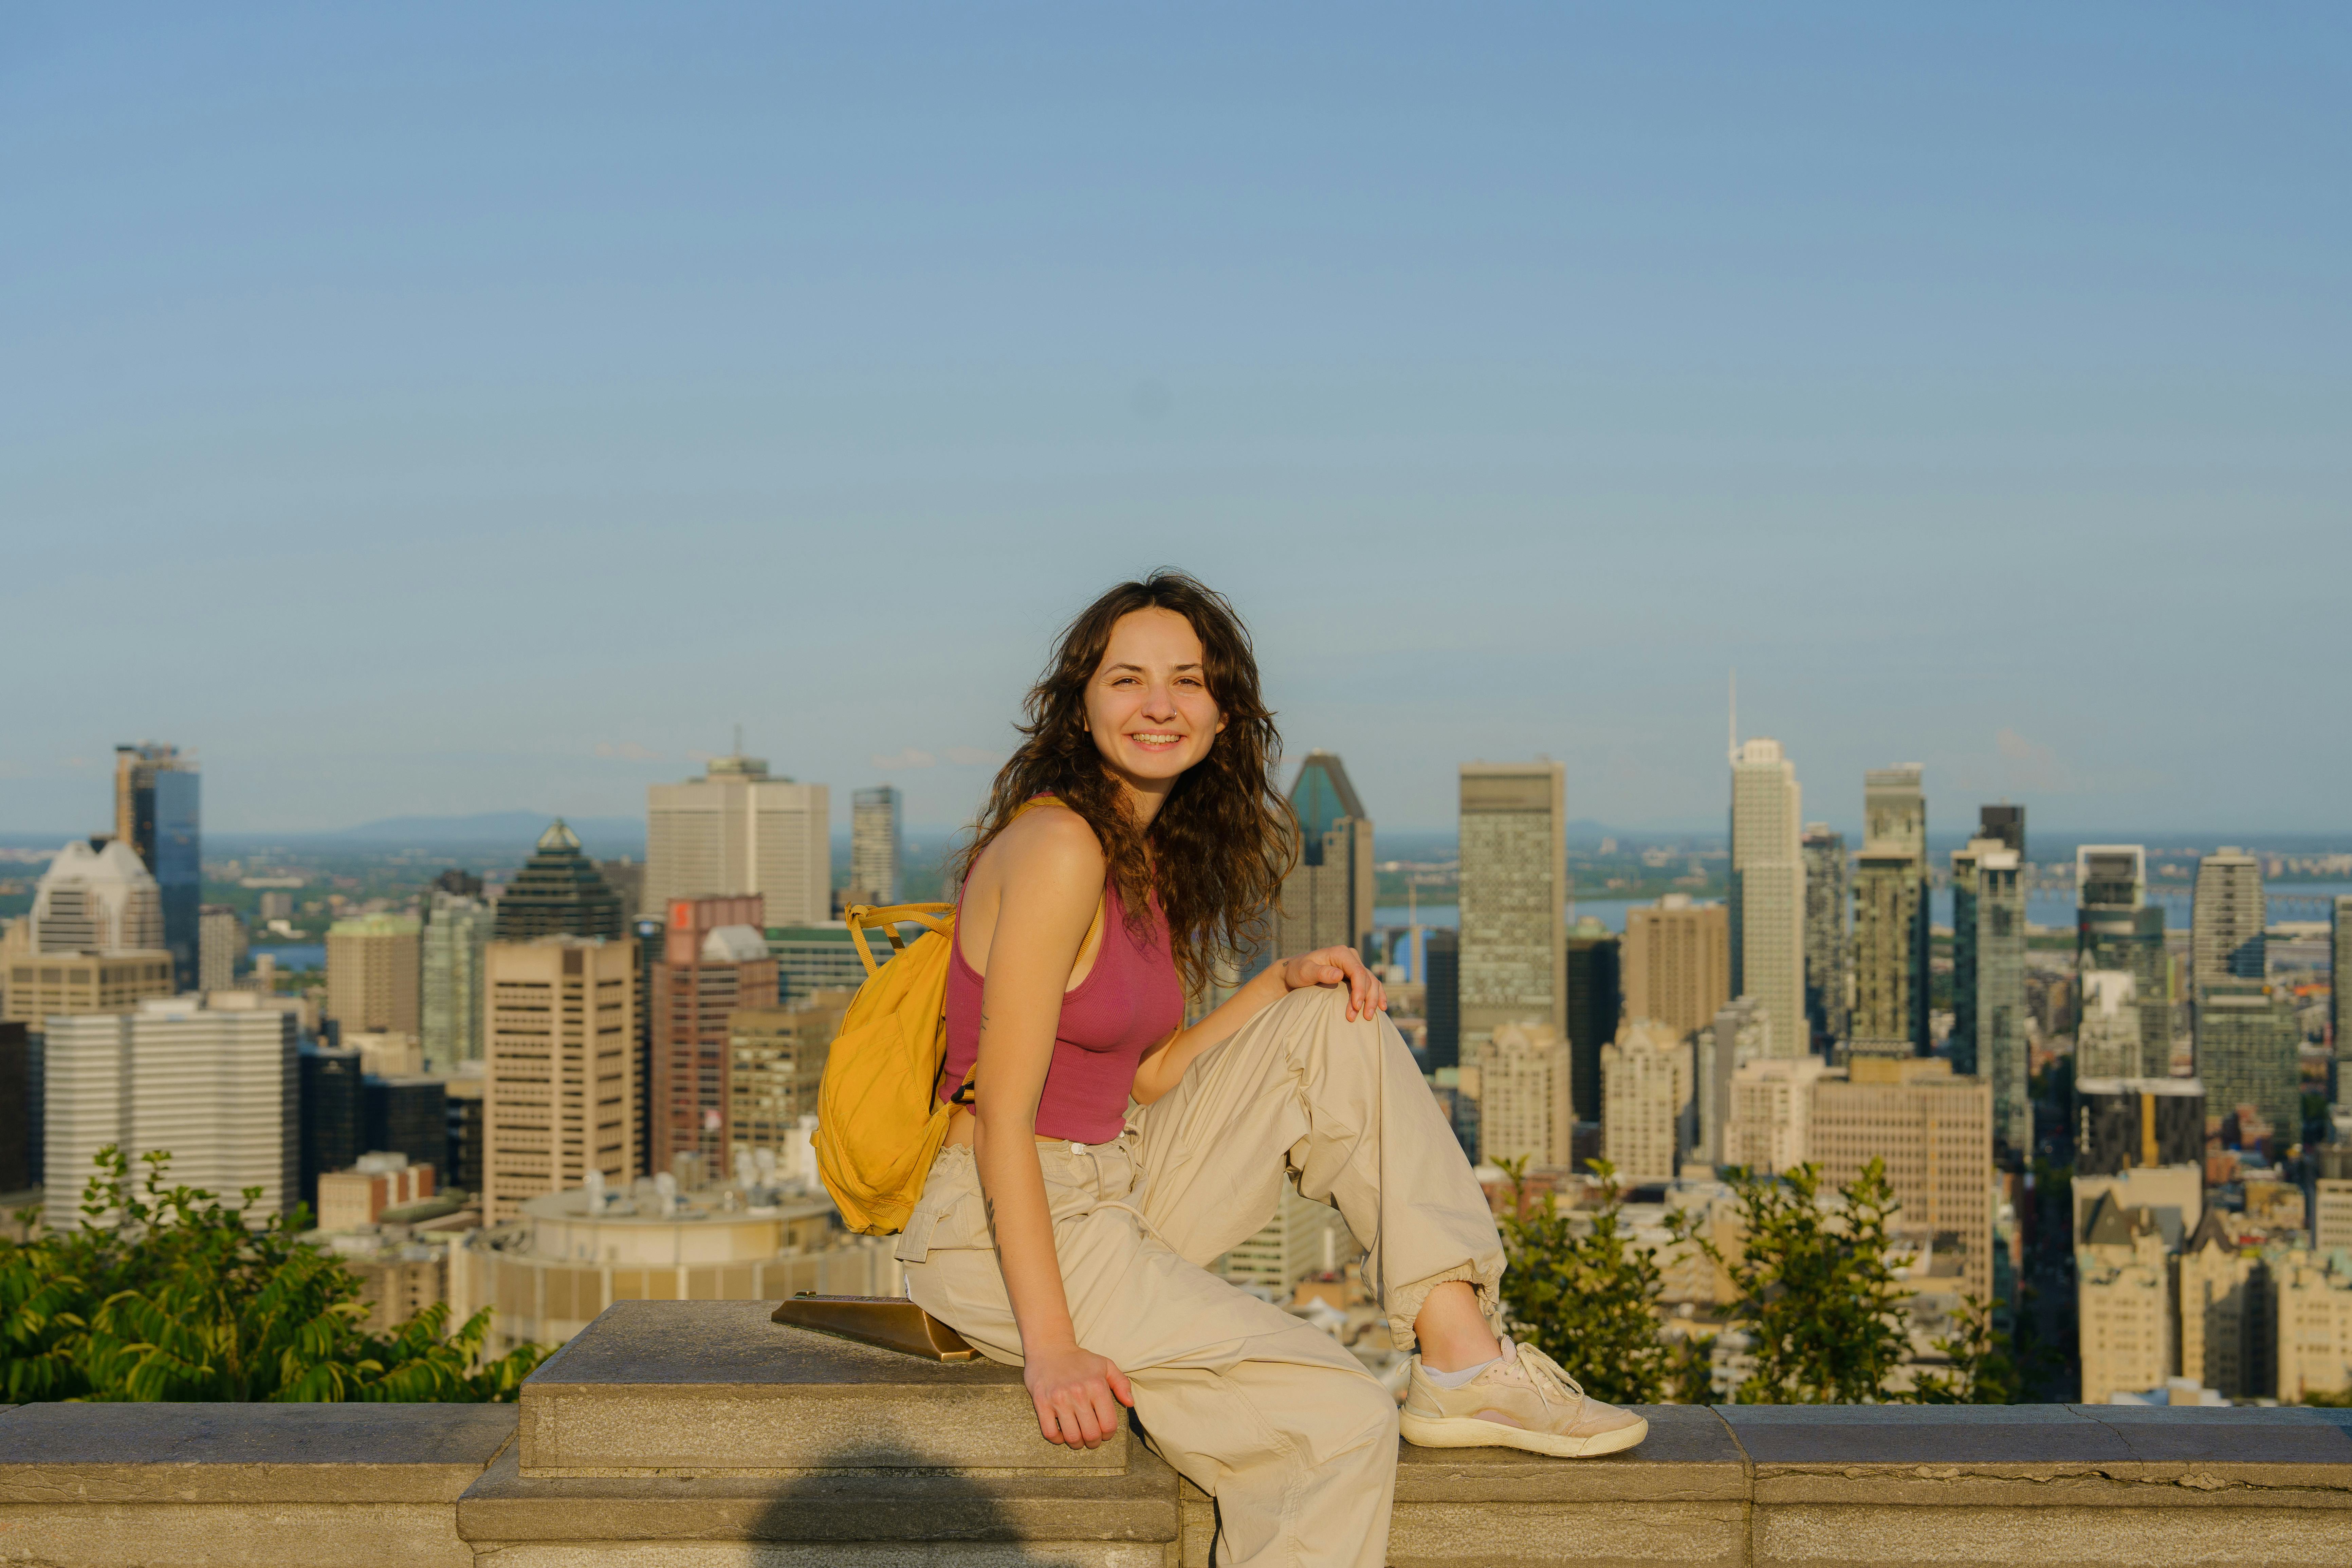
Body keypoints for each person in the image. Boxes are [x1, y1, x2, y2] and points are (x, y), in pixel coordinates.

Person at [898, 571, 1645, 1568]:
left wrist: (1276, 987)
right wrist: (1054, 1345)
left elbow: (1148, 1078)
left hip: (1112, 1183)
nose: (1159, 703)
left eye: (1188, 681)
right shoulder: (1059, 846)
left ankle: (1465, 1359)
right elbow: (1002, 1117)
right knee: (1339, 1417)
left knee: (1335, 1018)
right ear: (1080, 704)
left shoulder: (1134, 857)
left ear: (1223, 714)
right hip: (1006, 1224)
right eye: (1127, 679)